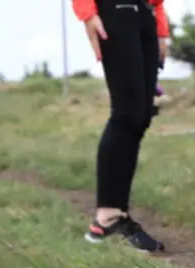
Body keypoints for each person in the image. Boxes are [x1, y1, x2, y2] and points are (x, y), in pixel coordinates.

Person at [72, 0, 170, 252]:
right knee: (126, 113)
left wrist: (160, 29)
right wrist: (86, 13)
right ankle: (107, 218)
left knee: (141, 115)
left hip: (145, 11)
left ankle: (119, 214)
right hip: (115, 9)